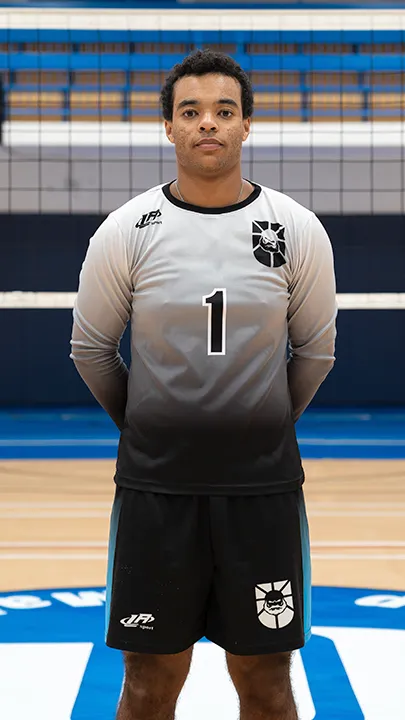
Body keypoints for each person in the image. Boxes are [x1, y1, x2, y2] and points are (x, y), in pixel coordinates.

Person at [70, 49, 336, 720]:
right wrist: (147, 425)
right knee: (148, 684)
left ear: (247, 124)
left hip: (262, 493)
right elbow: (91, 349)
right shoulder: (127, 230)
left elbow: (315, 351)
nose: (207, 124)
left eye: (224, 111)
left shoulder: (294, 228)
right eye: (190, 112)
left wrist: (265, 422)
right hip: (157, 493)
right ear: (168, 127)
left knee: (267, 683)